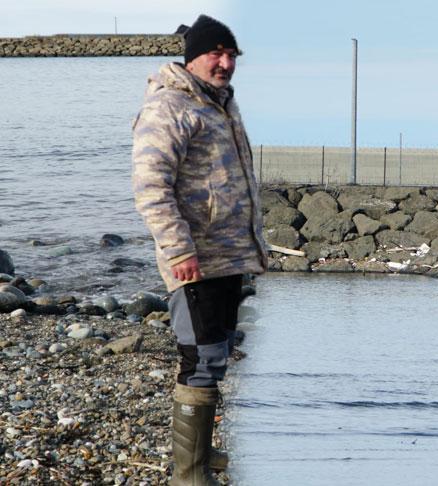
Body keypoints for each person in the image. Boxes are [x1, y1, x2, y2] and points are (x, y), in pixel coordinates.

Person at [132, 15, 266, 484]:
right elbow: (150, 187)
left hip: (229, 256)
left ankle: (201, 454)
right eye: (216, 54)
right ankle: (188, 474)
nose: (225, 63)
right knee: (201, 359)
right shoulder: (169, 106)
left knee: (218, 353)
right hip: (195, 261)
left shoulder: (220, 104)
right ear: (193, 58)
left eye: (231, 55)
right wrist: (178, 250)